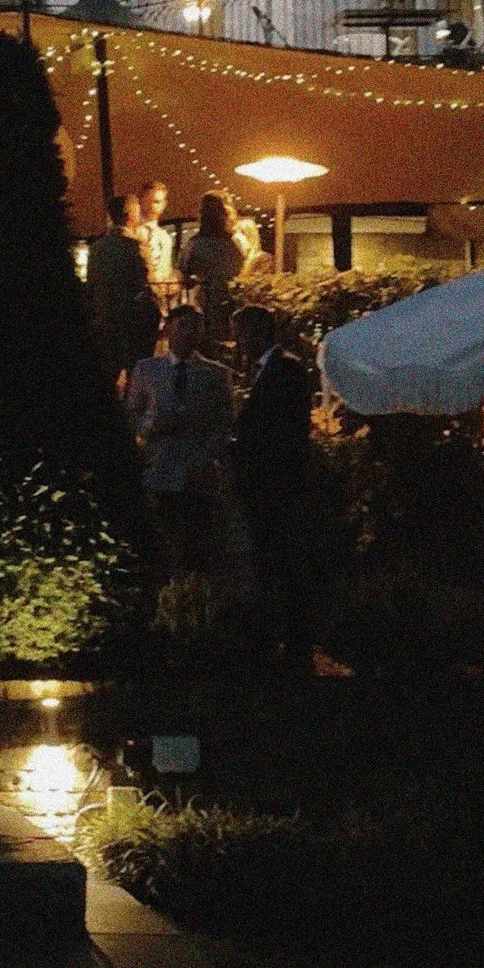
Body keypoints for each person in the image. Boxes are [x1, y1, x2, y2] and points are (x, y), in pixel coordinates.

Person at [232, 305, 320, 664]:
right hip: (271, 480)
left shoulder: (284, 369)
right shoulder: (274, 369)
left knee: (281, 556)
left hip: (278, 482)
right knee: (274, 557)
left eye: (240, 335)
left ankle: (291, 637)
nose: (238, 344)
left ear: (254, 334)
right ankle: (282, 633)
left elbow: (283, 427)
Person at [125, 306, 235, 575]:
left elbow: (225, 421)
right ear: (169, 329)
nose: (189, 333)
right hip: (158, 466)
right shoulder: (147, 370)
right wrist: (151, 428)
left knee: (197, 540)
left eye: (196, 327)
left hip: (197, 471)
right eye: (183, 326)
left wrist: (207, 455)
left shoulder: (216, 374)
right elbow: (131, 413)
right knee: (163, 535)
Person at [87, 194, 158, 375]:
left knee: (109, 371)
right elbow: (147, 281)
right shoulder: (135, 246)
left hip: (104, 317)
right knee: (136, 371)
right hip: (131, 319)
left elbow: (92, 283)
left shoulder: (97, 247)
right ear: (130, 215)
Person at [179, 193, 249, 340]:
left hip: (205, 305)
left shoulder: (194, 244)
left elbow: (183, 272)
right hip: (230, 302)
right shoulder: (233, 244)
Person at [139, 181, 178, 306]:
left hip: (162, 301)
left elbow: (167, 269)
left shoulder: (165, 238)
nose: (152, 206)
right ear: (140, 201)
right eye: (148, 201)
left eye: (156, 202)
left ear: (164, 204)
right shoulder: (133, 234)